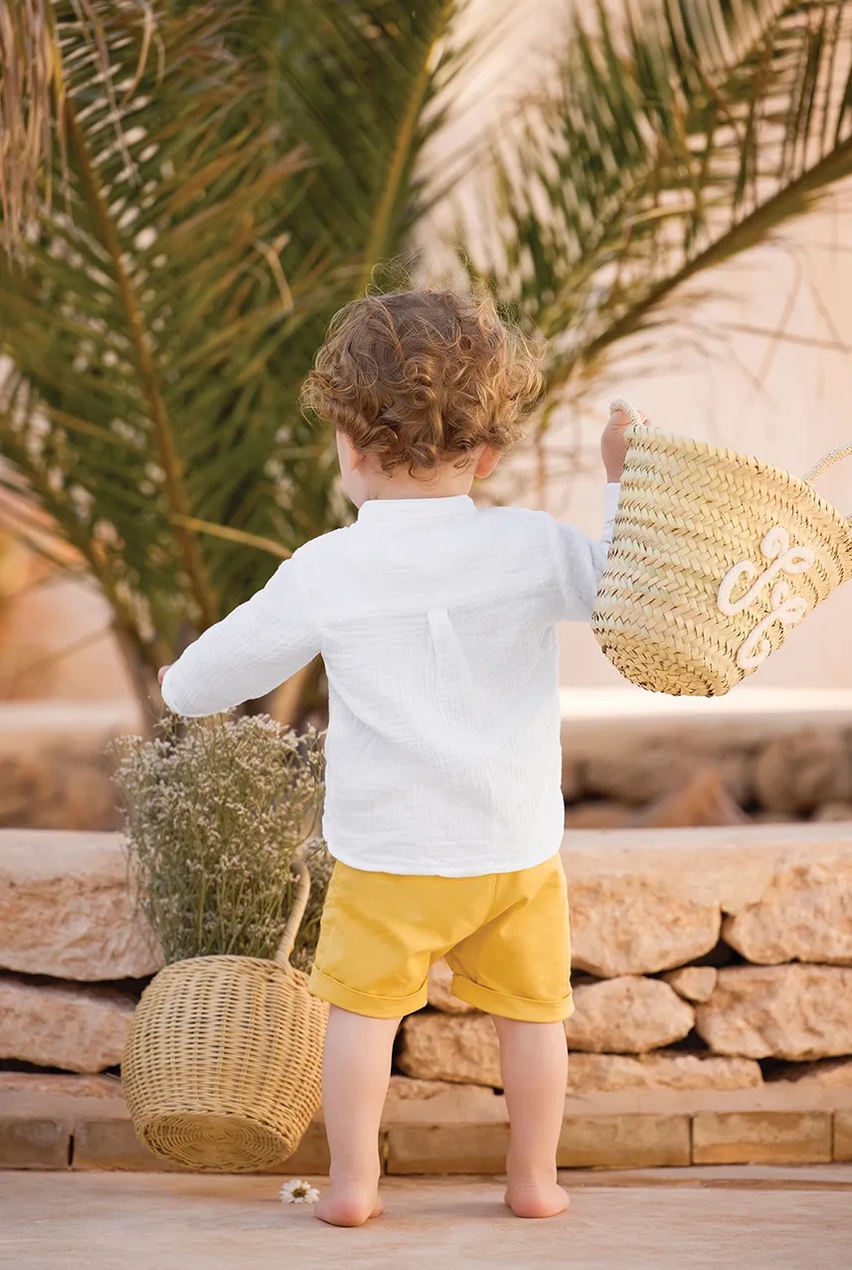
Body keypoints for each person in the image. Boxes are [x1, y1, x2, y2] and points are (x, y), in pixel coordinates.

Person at [159, 288, 635, 1227]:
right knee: (535, 1018)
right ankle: (533, 1180)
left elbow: (217, 671)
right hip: (513, 846)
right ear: (488, 451)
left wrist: (177, 683)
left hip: (389, 857)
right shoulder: (532, 543)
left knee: (361, 1018)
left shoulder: (327, 569)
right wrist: (620, 482)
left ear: (346, 442)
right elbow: (621, 588)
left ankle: (352, 1185)